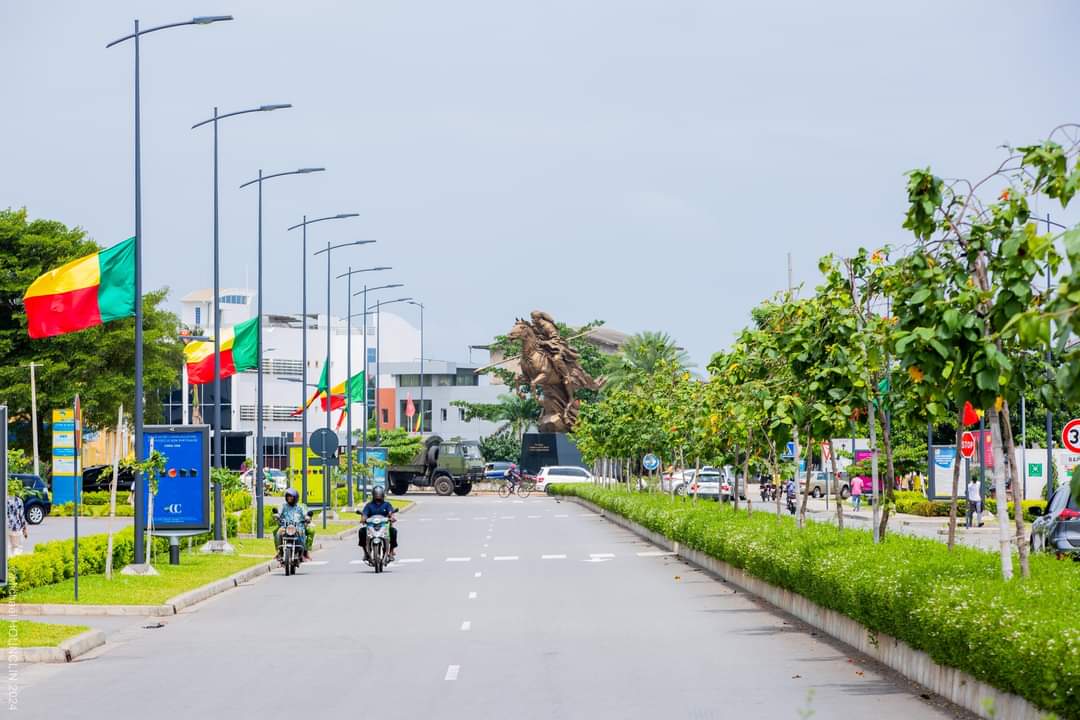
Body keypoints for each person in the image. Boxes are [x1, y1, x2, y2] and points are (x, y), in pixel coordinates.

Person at [274, 488, 314, 562]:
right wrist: (277, 515)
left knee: (305, 532)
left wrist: (307, 518)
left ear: (295, 497)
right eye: (288, 496)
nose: (289, 498)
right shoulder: (283, 506)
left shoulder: (301, 507)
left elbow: (305, 514)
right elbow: (279, 513)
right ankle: (279, 551)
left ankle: (305, 551)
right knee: (278, 533)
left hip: (299, 527)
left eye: (291, 496)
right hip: (285, 527)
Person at [360, 485, 398, 561]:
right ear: (373, 495)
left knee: (393, 531)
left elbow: (390, 512)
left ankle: (391, 552)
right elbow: (365, 514)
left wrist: (392, 517)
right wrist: (363, 518)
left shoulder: (387, 504)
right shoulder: (369, 505)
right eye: (376, 495)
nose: (378, 497)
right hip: (371, 527)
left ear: (383, 495)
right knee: (361, 531)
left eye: (379, 495)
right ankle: (366, 552)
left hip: (384, 526)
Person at [6, 482, 27, 557]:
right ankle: (15, 561)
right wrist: (25, 529)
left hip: (7, 527)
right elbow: (21, 516)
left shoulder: (4, 500)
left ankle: (9, 561)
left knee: (8, 547)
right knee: (17, 547)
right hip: (17, 527)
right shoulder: (19, 500)